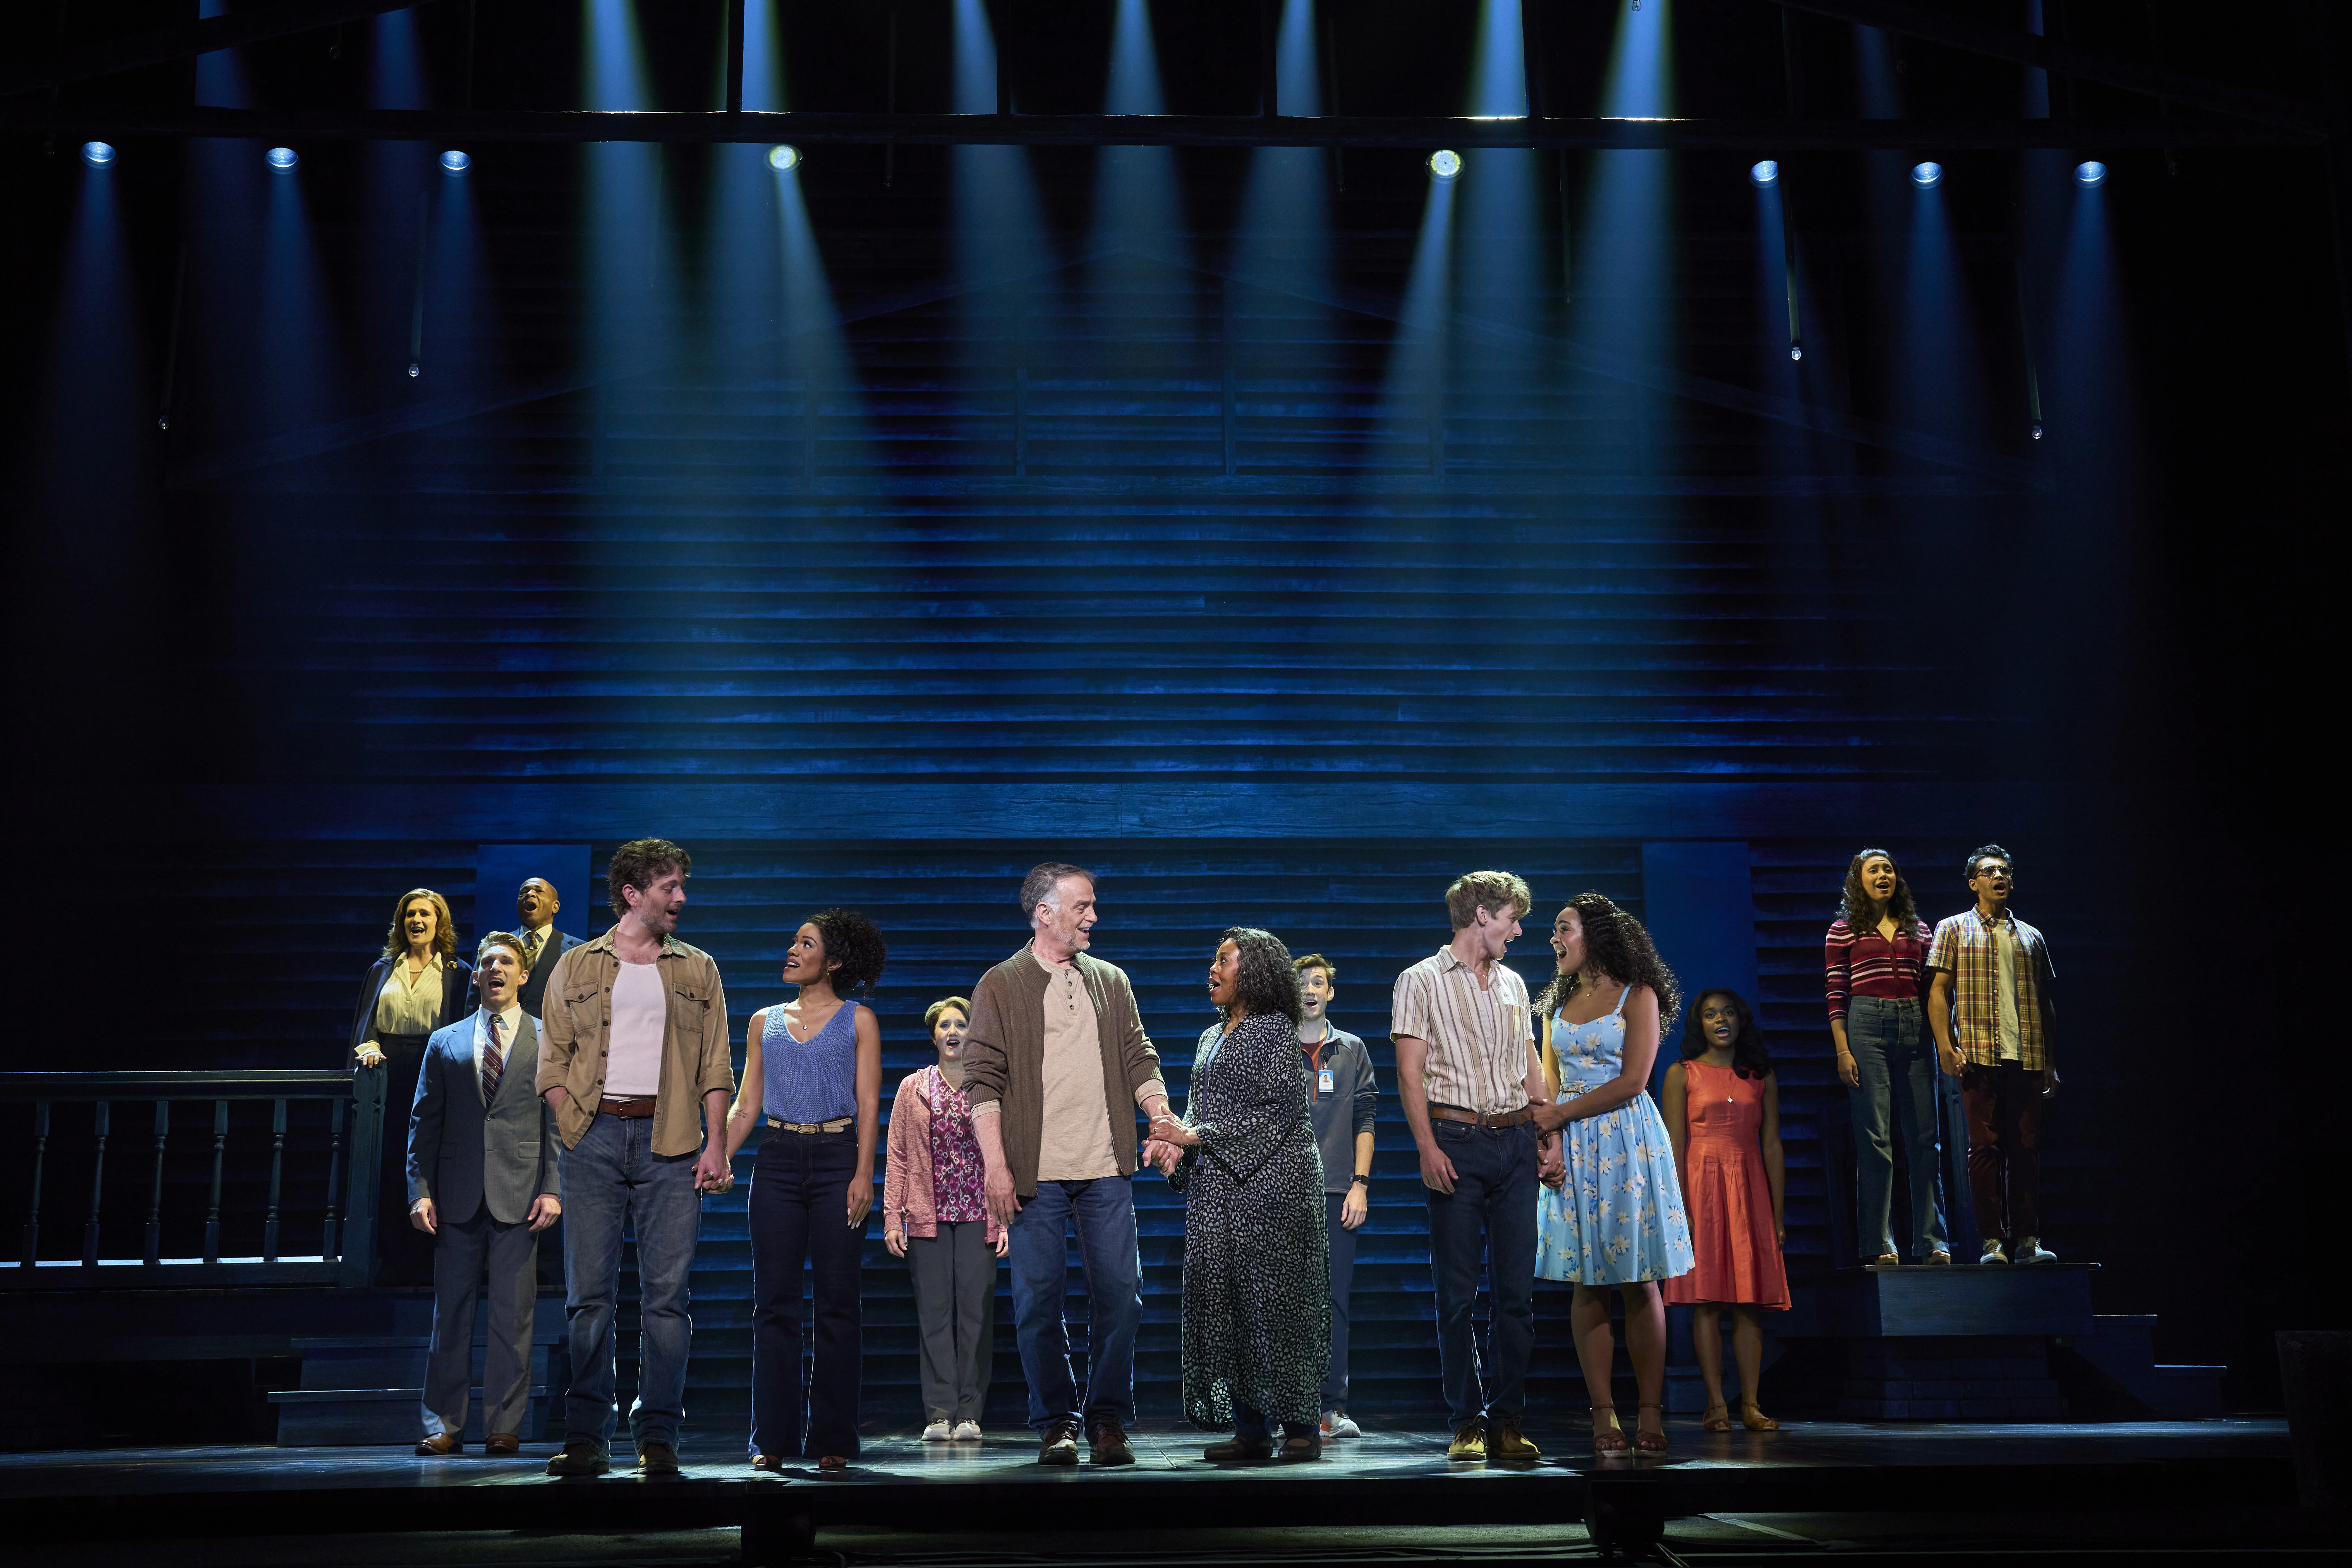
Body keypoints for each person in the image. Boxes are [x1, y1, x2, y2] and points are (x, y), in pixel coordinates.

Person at [963, 861, 1175, 1468]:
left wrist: (1160, 1115)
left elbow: (1139, 1056)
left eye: (1092, 906)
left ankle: (1107, 1419)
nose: (1093, 917)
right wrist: (996, 1166)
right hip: (1034, 1171)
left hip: (1105, 1165)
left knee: (1123, 1296)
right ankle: (1056, 1420)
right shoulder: (1000, 983)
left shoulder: (1111, 980)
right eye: (1082, 907)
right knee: (1037, 1302)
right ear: (1044, 913)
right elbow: (981, 1082)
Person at [535, 839, 735, 1478]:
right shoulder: (576, 965)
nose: (682, 898)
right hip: (593, 1138)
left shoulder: (698, 968)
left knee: (667, 1299)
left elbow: (716, 1066)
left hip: (670, 1142)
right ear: (632, 893)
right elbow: (552, 1061)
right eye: (669, 886)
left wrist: (716, 1144)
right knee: (588, 1298)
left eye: (681, 886)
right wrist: (573, 1121)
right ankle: (586, 1435)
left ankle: (658, 1436)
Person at [1390, 870, 1553, 1464]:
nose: (1519, 930)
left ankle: (1508, 1420)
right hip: (1455, 1140)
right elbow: (1410, 1072)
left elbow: (1529, 1063)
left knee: (1516, 1296)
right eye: (1513, 918)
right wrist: (1426, 1147)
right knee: (1457, 1295)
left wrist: (1548, 1134)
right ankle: (1467, 1421)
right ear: (1482, 915)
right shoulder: (1420, 979)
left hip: (1515, 1141)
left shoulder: (1513, 983)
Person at [1149, 930, 1330, 1463]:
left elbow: (1279, 1111)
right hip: (1220, 1189)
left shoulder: (1275, 1030)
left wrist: (1194, 1135)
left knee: (1278, 1303)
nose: (1213, 968)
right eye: (1214, 959)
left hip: (1275, 1189)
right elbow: (1198, 1109)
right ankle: (1250, 1429)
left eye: (1223, 959)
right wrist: (1174, 1146)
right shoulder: (1210, 1036)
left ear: (1252, 971)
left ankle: (1301, 1426)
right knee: (1231, 1304)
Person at [721, 910, 886, 1472]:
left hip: (839, 1157)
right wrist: (718, 1155)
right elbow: (747, 1103)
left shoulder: (859, 1019)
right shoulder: (763, 1021)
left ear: (834, 961)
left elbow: (869, 1103)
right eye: (794, 941)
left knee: (838, 1303)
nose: (792, 950)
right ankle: (771, 1438)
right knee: (774, 1304)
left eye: (807, 944)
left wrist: (864, 1174)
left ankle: (833, 1437)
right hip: (777, 1159)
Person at [1531, 891, 1694, 1458]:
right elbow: (1547, 1084)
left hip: (1626, 1141)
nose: (1554, 939)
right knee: (1588, 1281)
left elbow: (1633, 1081)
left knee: (1639, 1278)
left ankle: (1649, 1412)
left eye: (1563, 928)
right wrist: (1549, 1142)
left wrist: (1560, 1115)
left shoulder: (1637, 994)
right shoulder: (1555, 1006)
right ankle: (1603, 1414)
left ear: (1597, 934)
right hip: (1574, 1146)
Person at [406, 931, 562, 1457]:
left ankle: (504, 1424)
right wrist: (419, 1191)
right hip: (455, 1193)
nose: (496, 968)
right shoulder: (445, 1041)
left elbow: (557, 1123)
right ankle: (443, 1424)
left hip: (521, 1193)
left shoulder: (547, 1037)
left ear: (523, 975)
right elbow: (423, 1123)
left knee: (513, 1316)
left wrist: (554, 1188)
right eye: (488, 962)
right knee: (450, 1314)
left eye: (507, 962)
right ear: (475, 976)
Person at [1661, 988, 1788, 1433]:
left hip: (1750, 1187)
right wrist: (1680, 1209)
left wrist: (1777, 1214)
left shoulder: (1761, 1076)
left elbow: (1772, 1145)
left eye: (1728, 1012)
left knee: (1749, 1303)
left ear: (1740, 1020)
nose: (1720, 1020)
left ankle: (1750, 1404)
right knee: (1707, 1302)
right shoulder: (1681, 1074)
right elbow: (1673, 1144)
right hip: (1701, 1188)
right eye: (1710, 1014)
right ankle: (1715, 1404)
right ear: (1699, 1024)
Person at [1926, 845, 2059, 1267]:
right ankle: (1991, 1242)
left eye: (2004, 870)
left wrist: (2050, 1062)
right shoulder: (1952, 928)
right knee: (1984, 1148)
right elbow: (1937, 992)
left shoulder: (2031, 935)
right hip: (1978, 1054)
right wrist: (1945, 1046)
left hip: (2026, 1055)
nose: (1999, 876)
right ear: (1973, 883)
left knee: (2025, 1149)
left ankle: (2027, 1240)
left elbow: (2044, 1001)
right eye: (1989, 871)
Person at [882, 996, 1005, 1445]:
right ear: (933, 1036)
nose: (953, 1032)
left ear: (973, 1033)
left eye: (961, 1024)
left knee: (976, 1314)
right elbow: (897, 1155)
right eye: (944, 1025)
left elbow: (1006, 1154)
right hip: (927, 1214)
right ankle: (939, 1413)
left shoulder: (987, 1086)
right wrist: (891, 1216)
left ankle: (969, 1412)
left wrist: (1005, 1221)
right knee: (933, 1315)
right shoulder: (913, 1087)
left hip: (979, 1212)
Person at [1825, 848, 1949, 1268]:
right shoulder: (1843, 929)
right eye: (1874, 870)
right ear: (1857, 881)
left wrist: (1943, 1042)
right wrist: (1843, 1049)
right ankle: (1880, 1242)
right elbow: (1836, 993)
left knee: (1925, 1138)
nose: (1883, 875)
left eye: (1888, 869)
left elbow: (1933, 991)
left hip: (1914, 1023)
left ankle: (1932, 1240)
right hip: (1865, 1024)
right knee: (1875, 1139)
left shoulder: (1919, 928)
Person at [349, 888, 474, 1286]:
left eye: (425, 914)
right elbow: (366, 1022)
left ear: (440, 922)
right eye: (410, 914)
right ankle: (388, 1259)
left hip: (434, 1070)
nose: (417, 920)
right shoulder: (383, 968)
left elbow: (465, 1030)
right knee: (388, 1163)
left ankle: (426, 1262)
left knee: (429, 1161)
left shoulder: (457, 971)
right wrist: (370, 1045)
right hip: (387, 1073)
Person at [1293, 953, 1375, 1441]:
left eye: (1318, 982)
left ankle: (1330, 1409)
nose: (1309, 989)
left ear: (1330, 992)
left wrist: (1359, 1184)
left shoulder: (1353, 1049)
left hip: (1338, 1190)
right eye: (1301, 982)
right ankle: (1288, 1408)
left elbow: (1366, 1119)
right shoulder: (1275, 1049)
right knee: (1286, 1303)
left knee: (1333, 1303)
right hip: (1284, 1193)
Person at [513, 878, 579, 1020]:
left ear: (555, 907)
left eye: (539, 891)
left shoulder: (578, 951)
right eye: (524, 892)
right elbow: (475, 1000)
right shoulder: (496, 946)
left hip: (554, 1032)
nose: (530, 894)